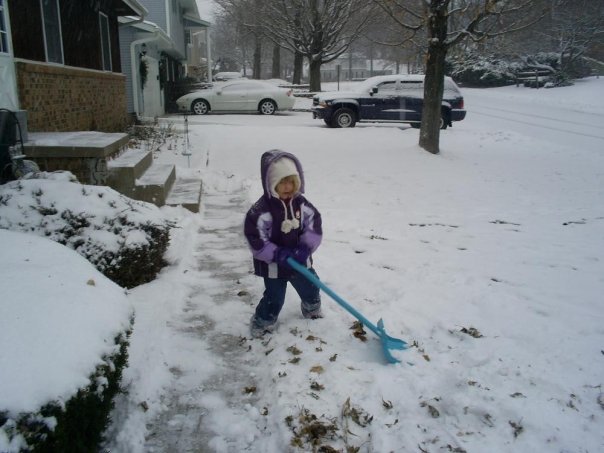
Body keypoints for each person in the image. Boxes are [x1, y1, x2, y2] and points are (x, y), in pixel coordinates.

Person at [244, 150, 323, 338]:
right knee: (274, 298)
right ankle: (263, 321)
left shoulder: (302, 205)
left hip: (300, 260)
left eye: (291, 182)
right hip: (274, 266)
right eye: (282, 182)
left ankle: (311, 307)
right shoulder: (260, 211)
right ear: (271, 183)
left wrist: (305, 248)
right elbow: (255, 238)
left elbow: (314, 225)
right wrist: (277, 254)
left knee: (312, 286)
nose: (287, 187)